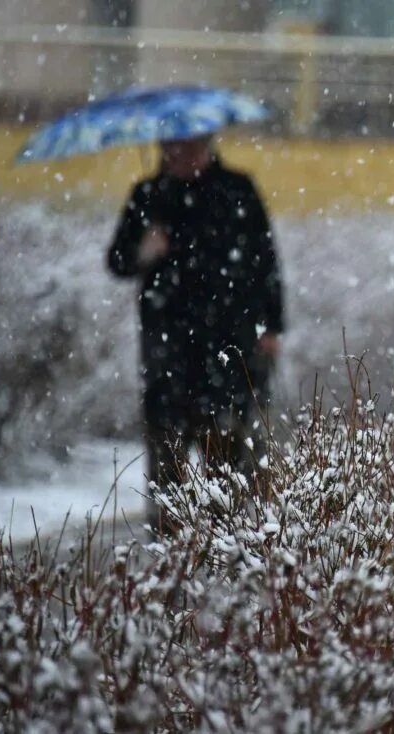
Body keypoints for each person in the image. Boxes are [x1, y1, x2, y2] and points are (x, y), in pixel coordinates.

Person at [106, 135, 283, 535]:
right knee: (166, 461)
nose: (179, 155)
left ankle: (229, 544)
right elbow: (117, 259)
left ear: (207, 145)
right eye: (170, 147)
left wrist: (271, 326)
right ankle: (170, 552)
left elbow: (265, 262)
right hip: (166, 351)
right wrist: (144, 250)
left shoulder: (236, 190)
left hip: (227, 348)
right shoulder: (149, 196)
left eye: (188, 147)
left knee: (229, 465)